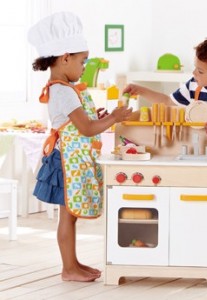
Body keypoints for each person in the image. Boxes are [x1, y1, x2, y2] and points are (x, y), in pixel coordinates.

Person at [123, 35, 207, 280]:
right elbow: (169, 102)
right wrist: (140, 90)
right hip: (201, 154)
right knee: (202, 203)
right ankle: (201, 252)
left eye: (200, 70)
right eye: (195, 68)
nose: (194, 73)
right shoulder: (192, 87)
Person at [28, 11, 132, 282]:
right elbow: (85, 129)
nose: (85, 66)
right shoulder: (63, 90)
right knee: (67, 217)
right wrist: (113, 118)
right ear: (65, 58)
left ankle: (73, 264)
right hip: (66, 164)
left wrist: (98, 116)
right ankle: (69, 268)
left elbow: (82, 123)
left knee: (70, 217)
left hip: (72, 160)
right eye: (83, 61)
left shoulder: (66, 87)